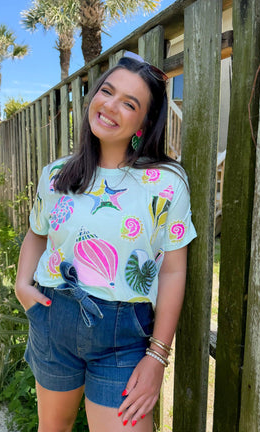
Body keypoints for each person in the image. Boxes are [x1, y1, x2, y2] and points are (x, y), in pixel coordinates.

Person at [15, 51, 197, 432]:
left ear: (144, 122)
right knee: (53, 428)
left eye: (129, 103)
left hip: (124, 335)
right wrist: (22, 285)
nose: (110, 105)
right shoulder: (57, 174)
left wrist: (158, 356)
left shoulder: (165, 183)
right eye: (107, 91)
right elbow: (37, 232)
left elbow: (174, 270)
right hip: (53, 317)